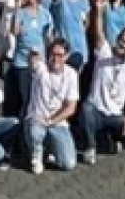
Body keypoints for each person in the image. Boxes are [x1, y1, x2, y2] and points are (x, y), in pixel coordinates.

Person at [78, 18, 125, 164]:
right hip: (96, 110)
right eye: (121, 40)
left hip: (115, 114)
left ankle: (111, 139)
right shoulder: (105, 51)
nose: (123, 45)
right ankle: (91, 147)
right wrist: (99, 11)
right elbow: (99, 32)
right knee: (86, 108)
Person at [21, 40, 78, 175]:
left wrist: (52, 120)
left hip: (57, 122)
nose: (56, 58)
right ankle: (36, 156)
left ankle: (51, 149)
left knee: (68, 164)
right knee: (35, 131)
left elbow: (71, 108)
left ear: (67, 56)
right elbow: (32, 63)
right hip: (37, 119)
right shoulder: (41, 68)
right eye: (53, 54)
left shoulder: (71, 74)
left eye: (60, 55)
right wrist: (33, 54)